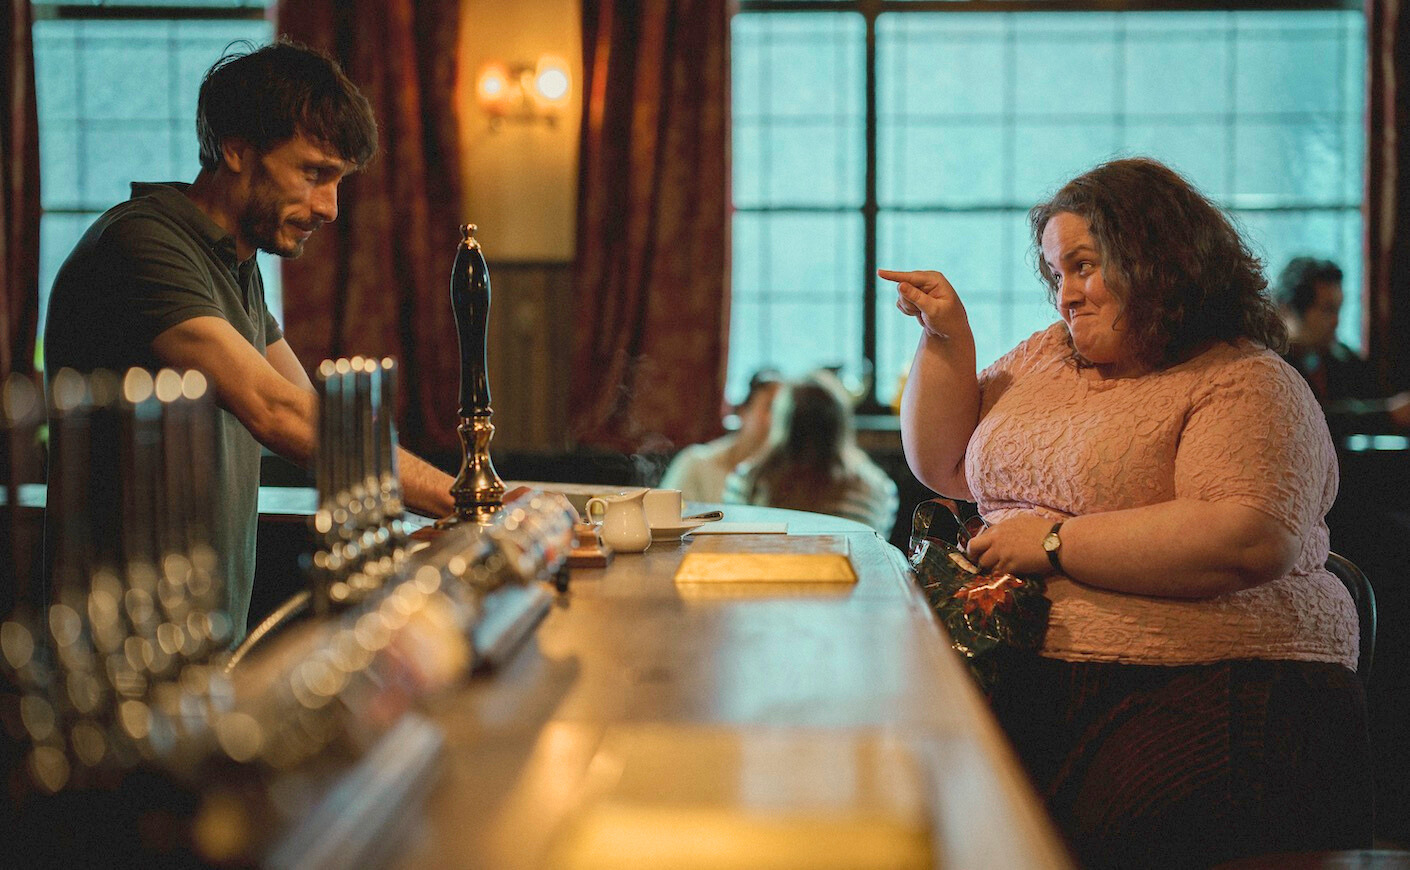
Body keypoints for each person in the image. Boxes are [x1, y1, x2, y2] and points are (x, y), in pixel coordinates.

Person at [881, 157, 1369, 868]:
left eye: (1083, 267)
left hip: (1214, 685)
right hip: (1034, 668)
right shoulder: (1048, 358)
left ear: (1157, 261)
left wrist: (1052, 543)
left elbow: (1246, 536)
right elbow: (945, 464)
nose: (1066, 297)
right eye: (1055, 274)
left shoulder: (1245, 380)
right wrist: (947, 336)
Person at [44, 41, 455, 642]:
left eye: (338, 181)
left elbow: (321, 413)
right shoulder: (143, 245)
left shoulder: (233, 262)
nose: (330, 208)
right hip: (120, 654)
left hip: (200, 643)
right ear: (235, 148)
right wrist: (463, 496)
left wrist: (467, 492)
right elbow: (277, 410)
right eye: (314, 173)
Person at [722, 372, 897, 534]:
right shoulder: (877, 490)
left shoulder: (745, 483)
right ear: (840, 425)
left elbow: (738, 543)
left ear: (781, 422)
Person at [1275, 256, 1410, 438]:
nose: (1336, 321)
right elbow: (1308, 419)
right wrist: (1386, 415)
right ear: (1288, 310)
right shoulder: (1272, 366)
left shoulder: (1344, 360)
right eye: (1327, 310)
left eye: (1339, 310)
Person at [659, 369, 781, 502]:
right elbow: (663, 513)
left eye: (784, 410)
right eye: (770, 407)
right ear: (743, 411)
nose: (778, 418)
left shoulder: (782, 477)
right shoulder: (696, 463)